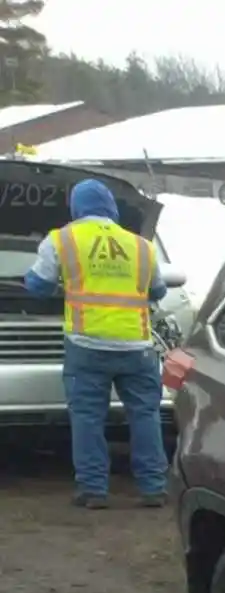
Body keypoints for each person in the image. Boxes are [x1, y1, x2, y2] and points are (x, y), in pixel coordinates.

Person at [23, 179, 170, 510]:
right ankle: (154, 488)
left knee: (88, 417)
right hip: (137, 347)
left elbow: (37, 285)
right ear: (112, 208)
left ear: (76, 207)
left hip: (87, 346)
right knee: (145, 415)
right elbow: (158, 292)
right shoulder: (141, 245)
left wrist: (62, 284)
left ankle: (93, 491)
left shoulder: (62, 240)